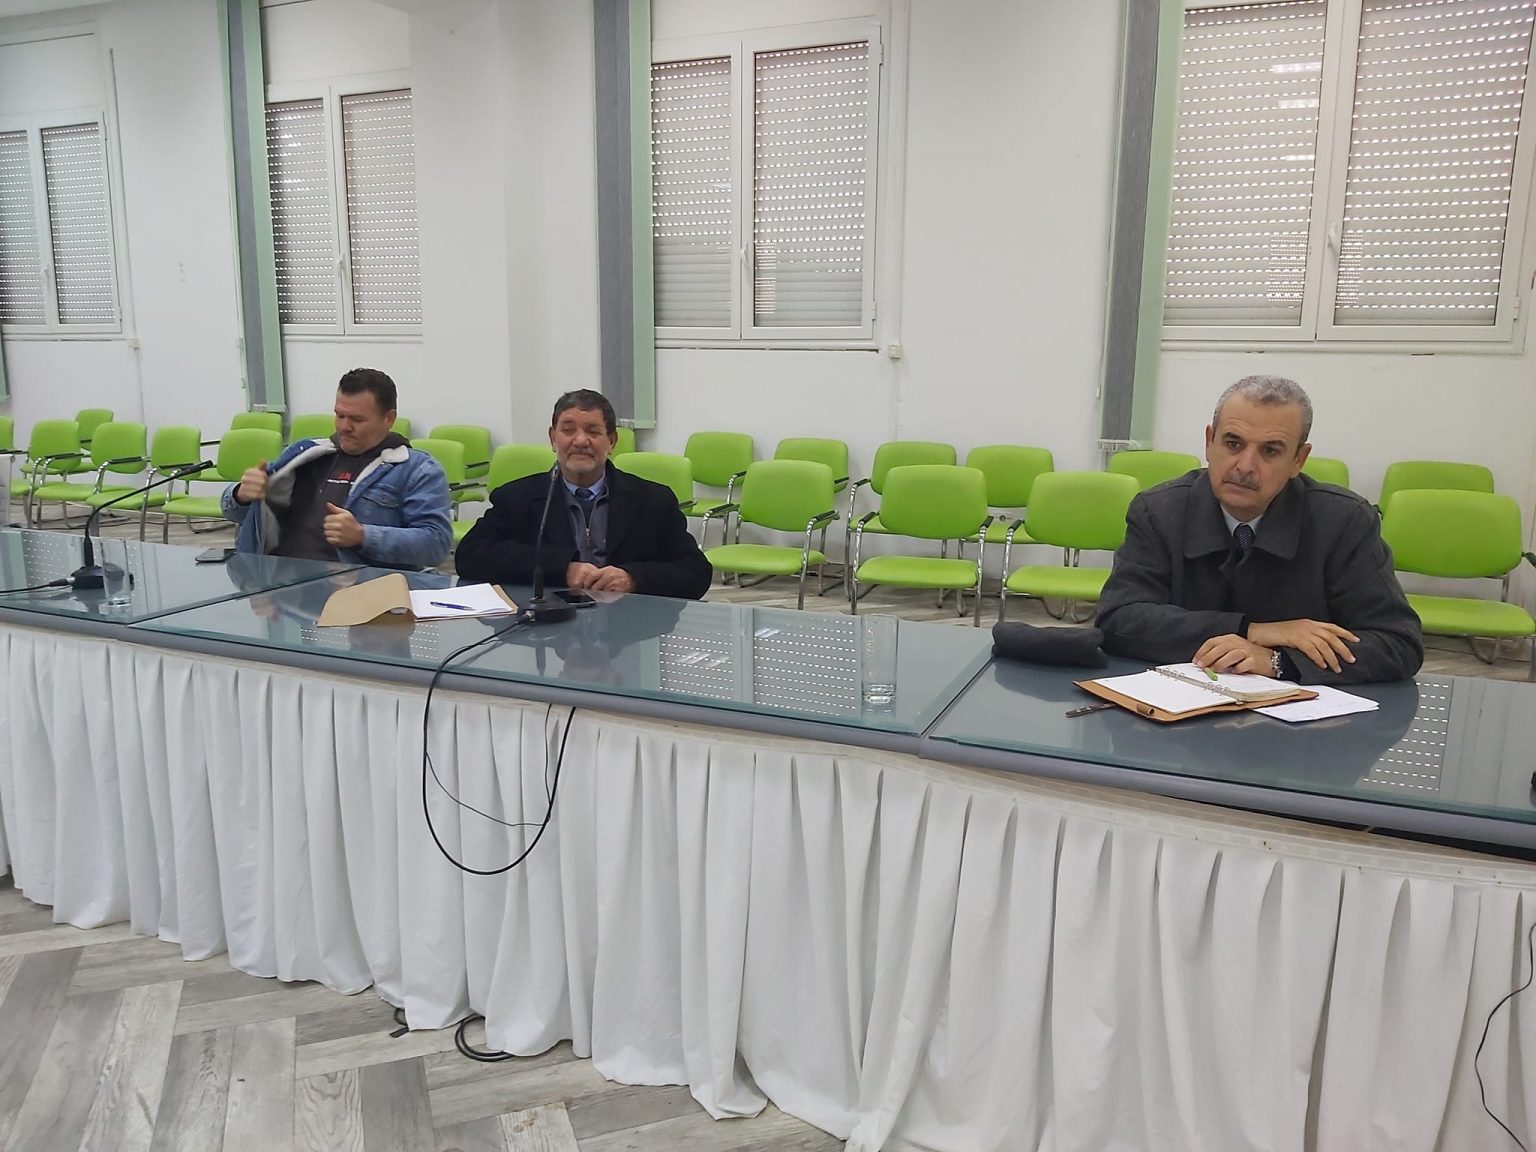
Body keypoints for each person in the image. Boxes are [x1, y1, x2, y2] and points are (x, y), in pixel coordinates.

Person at [1095, 375, 1423, 684]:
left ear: (1298, 460)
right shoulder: (1159, 511)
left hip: (1303, 716)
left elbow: (1397, 643)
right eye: (1233, 443)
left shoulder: (1344, 521)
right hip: (1177, 708)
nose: (1245, 466)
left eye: (1270, 451)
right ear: (1209, 442)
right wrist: (1252, 630)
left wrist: (1278, 661)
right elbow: (1119, 620)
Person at [455, 389, 712, 599]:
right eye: (568, 430)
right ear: (553, 439)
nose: (580, 441)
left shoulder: (653, 501)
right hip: (549, 630)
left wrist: (633, 578)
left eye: (593, 431)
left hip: (629, 628)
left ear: (611, 442)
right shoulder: (518, 498)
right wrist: (561, 569)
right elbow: (471, 556)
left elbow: (696, 572)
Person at [222, 368, 452, 570]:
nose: (344, 427)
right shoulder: (305, 453)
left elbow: (436, 544)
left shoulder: (417, 469)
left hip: (356, 591)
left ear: (389, 418)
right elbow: (235, 513)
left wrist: (363, 536)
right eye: (339, 415)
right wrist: (241, 495)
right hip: (274, 583)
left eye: (357, 419)